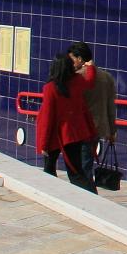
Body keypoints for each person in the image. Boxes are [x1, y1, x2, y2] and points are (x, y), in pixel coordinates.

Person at [35, 50, 98, 194]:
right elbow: (90, 82)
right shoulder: (77, 81)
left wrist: (43, 144)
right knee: (76, 171)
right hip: (74, 134)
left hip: (54, 136)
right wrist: (91, 68)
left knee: (50, 169)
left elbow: (47, 118)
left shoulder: (50, 88)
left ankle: (52, 195)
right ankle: (89, 198)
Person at [69, 41, 118, 155]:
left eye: (72, 59)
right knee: (88, 160)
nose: (70, 63)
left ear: (80, 59)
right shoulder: (107, 77)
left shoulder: (76, 77)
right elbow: (110, 107)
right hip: (98, 127)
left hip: (79, 128)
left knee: (78, 163)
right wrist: (112, 131)